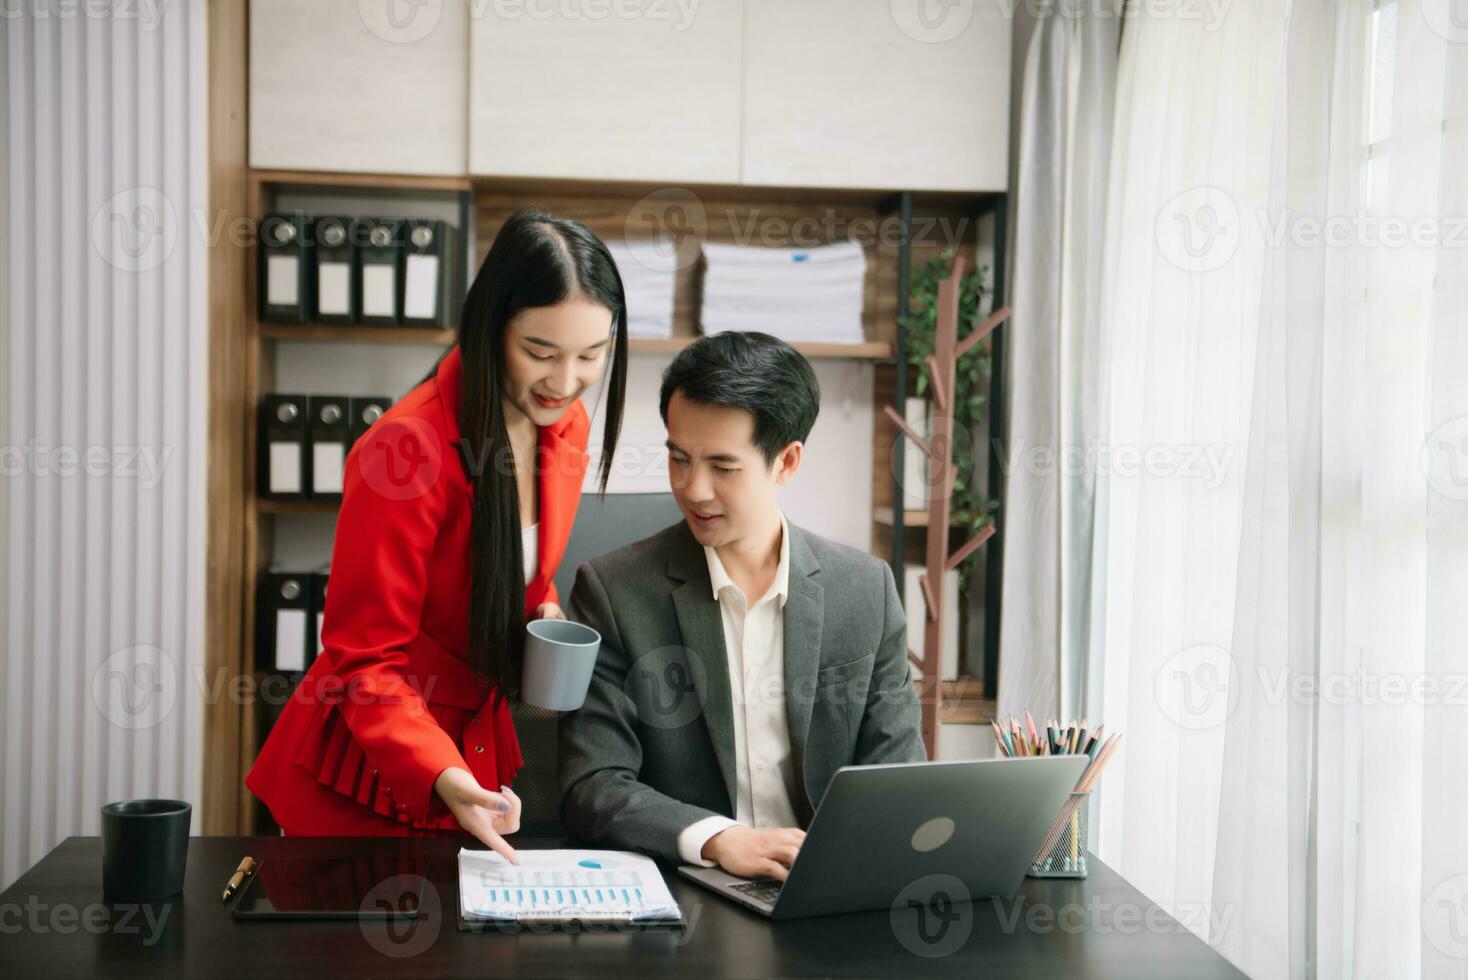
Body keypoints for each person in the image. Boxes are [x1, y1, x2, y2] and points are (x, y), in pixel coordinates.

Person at [246, 208, 628, 863]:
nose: (564, 382)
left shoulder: (566, 425)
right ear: (489, 328)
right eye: (539, 352)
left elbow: (526, 566)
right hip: (372, 761)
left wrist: (543, 607)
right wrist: (442, 773)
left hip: (470, 745)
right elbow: (362, 661)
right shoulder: (404, 450)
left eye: (590, 356)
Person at [558, 331, 925, 881]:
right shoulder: (614, 590)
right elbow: (594, 783)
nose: (693, 488)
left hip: (824, 890)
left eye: (723, 467)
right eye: (678, 458)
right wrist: (718, 839)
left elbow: (897, 783)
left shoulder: (864, 591)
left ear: (787, 462)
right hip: (687, 895)